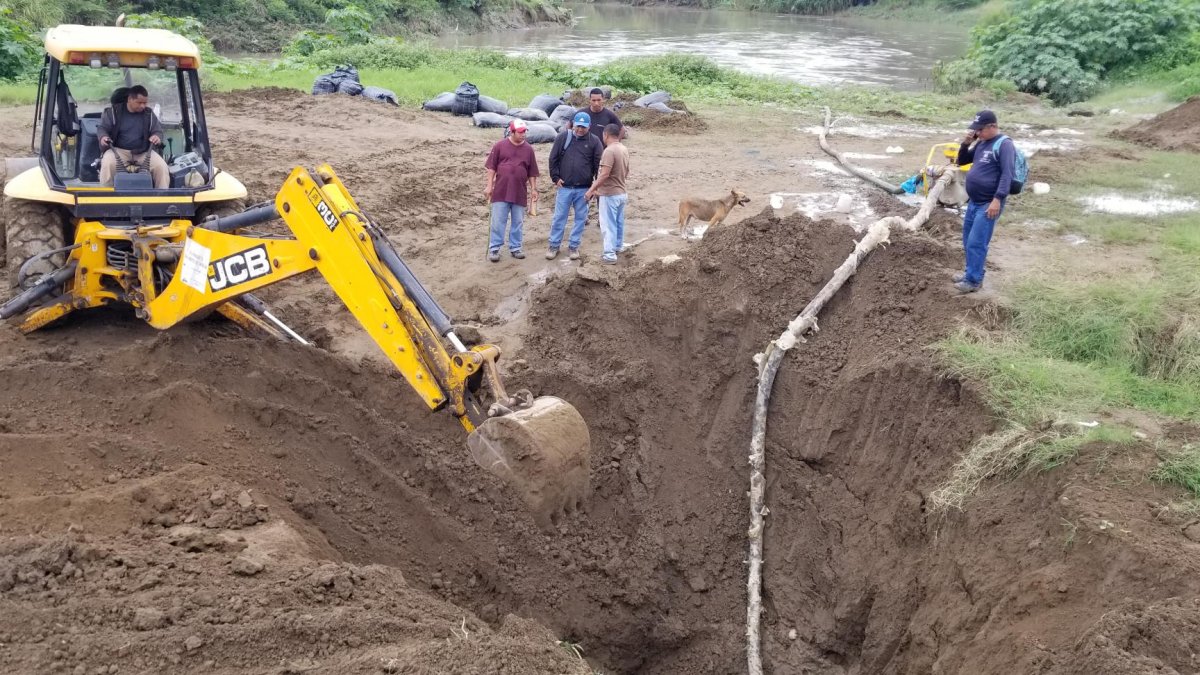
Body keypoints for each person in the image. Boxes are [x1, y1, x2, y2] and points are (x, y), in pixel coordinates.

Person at [954, 109, 1015, 293]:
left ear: (992, 126)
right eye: (976, 129)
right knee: (968, 240)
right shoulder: (981, 143)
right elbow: (961, 161)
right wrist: (966, 143)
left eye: (980, 129)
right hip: (974, 201)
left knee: (977, 242)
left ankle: (973, 281)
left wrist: (997, 199)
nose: (977, 132)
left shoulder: (1004, 145)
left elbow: (1007, 175)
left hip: (989, 203)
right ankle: (971, 273)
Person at [546, 111, 604, 260]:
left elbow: (598, 165)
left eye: (583, 127)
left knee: (580, 219)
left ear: (589, 126)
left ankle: (574, 246)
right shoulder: (563, 137)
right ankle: (554, 245)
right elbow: (553, 159)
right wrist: (555, 178)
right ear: (573, 125)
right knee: (559, 218)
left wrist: (595, 187)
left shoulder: (594, 141)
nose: (580, 129)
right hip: (564, 187)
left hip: (584, 189)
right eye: (578, 126)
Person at [484, 119, 540, 262]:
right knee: (498, 221)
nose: (523, 134)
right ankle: (494, 248)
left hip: (519, 191)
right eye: (520, 132)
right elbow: (491, 168)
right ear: (512, 132)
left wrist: (534, 189)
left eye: (524, 132)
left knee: (518, 221)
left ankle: (516, 248)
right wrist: (489, 186)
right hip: (501, 190)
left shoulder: (528, 149)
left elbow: (532, 172)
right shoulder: (499, 146)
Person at [98, 85, 170, 189]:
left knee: (161, 167)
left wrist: (156, 136)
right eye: (139, 102)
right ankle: (105, 196)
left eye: (145, 103)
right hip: (118, 151)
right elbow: (102, 128)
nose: (143, 106)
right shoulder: (113, 112)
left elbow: (157, 131)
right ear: (129, 99)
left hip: (144, 152)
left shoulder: (149, 114)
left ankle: (162, 196)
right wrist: (103, 137)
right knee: (107, 164)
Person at [585, 124, 629, 265]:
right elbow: (626, 172)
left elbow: (604, 174)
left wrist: (592, 189)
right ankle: (617, 246)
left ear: (606, 135)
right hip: (621, 192)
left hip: (610, 194)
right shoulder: (623, 149)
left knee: (608, 225)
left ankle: (609, 255)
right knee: (618, 222)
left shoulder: (609, 151)